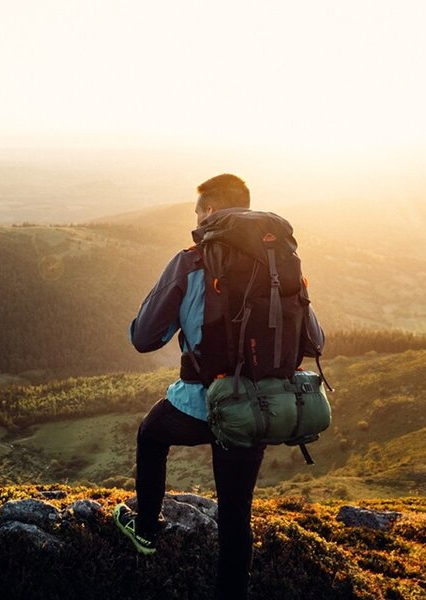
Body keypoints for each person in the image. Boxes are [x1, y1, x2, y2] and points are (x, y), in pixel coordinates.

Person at [114, 173, 304, 600]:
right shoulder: (279, 259)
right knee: (236, 512)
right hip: (259, 406)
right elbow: (314, 338)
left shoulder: (192, 259)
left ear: (211, 210)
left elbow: (144, 338)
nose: (196, 218)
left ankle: (146, 530)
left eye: (199, 210)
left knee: (151, 434)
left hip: (202, 402)